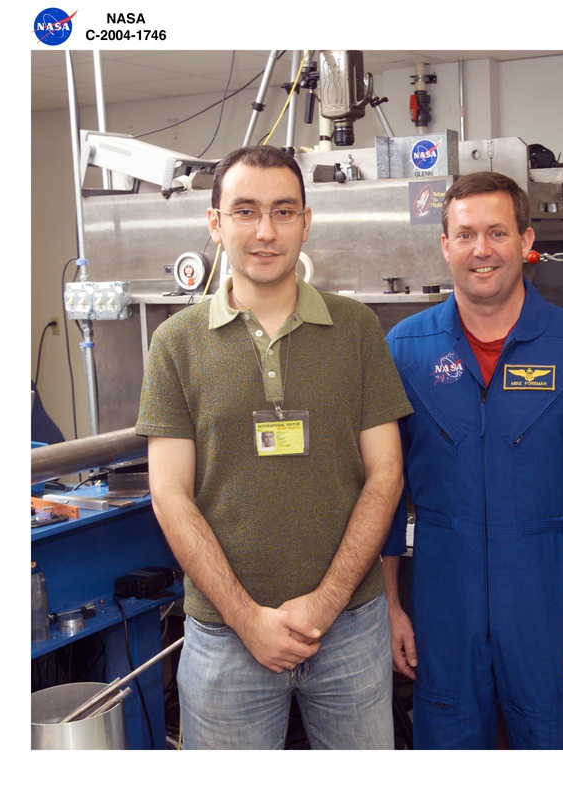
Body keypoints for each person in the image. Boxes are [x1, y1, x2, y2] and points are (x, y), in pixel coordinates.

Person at [135, 145, 412, 749]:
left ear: (306, 222)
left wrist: (326, 603)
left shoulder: (357, 328)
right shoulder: (175, 343)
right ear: (215, 224)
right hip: (224, 640)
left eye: (284, 212)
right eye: (245, 211)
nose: (265, 231)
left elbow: (386, 474)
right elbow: (170, 494)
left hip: (351, 631)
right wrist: (247, 620)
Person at [382, 171, 563, 749]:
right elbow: (384, 493)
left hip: (550, 593)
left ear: (526, 241)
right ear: (445, 246)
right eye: (465, 234)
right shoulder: (404, 350)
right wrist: (390, 606)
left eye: (497, 232)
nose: (481, 249)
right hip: (442, 594)